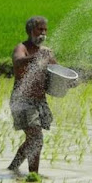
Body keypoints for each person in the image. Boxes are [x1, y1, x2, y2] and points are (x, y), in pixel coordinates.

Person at [7, 16, 57, 174]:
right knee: (36, 138)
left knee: (32, 139)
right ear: (30, 31)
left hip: (40, 101)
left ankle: (13, 168)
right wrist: (36, 58)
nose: (43, 33)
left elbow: (57, 71)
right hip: (22, 100)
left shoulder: (46, 52)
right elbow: (18, 61)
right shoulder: (22, 48)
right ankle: (33, 176)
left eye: (45, 30)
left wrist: (71, 80)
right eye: (39, 29)